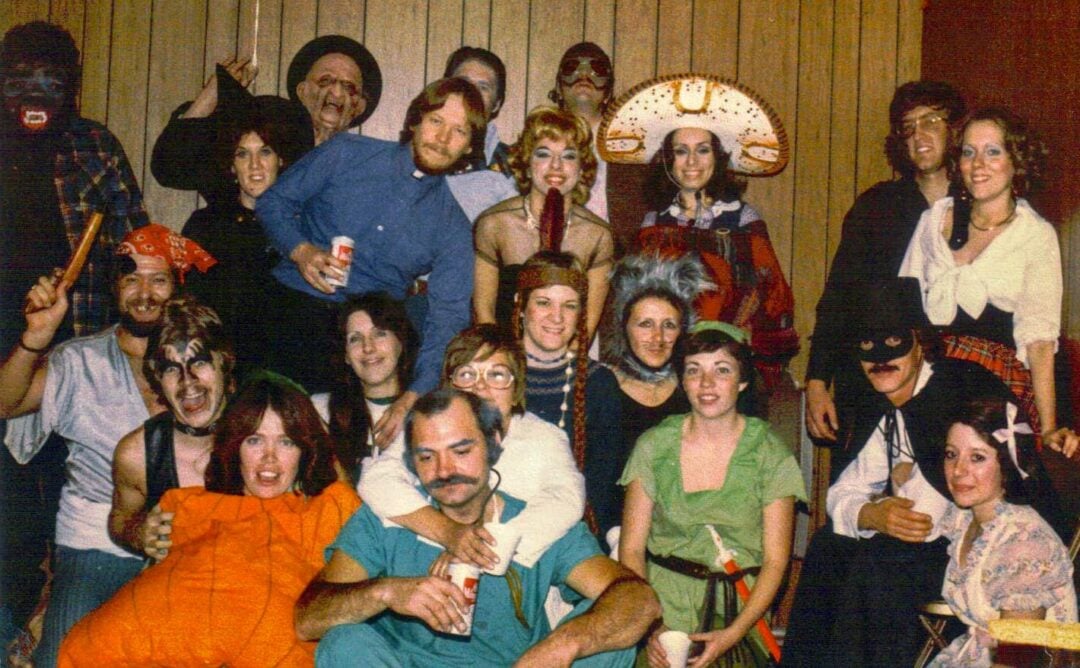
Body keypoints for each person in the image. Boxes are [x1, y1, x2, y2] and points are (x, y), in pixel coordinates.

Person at [296, 388, 660, 666]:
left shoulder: (537, 521)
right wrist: (387, 593)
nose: (444, 470)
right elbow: (308, 618)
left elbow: (639, 599)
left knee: (611, 638)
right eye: (427, 456)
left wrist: (563, 645)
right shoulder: (386, 519)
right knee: (344, 642)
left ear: (492, 444)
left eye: (461, 450)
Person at [780, 279, 1033, 668]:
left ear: (919, 343)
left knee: (878, 562)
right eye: (867, 345)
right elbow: (845, 490)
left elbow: (992, 493)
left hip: (979, 548)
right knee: (828, 548)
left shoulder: (963, 388)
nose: (880, 359)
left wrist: (900, 508)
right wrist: (869, 513)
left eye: (894, 342)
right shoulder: (877, 400)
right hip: (911, 548)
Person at [0, 225, 213, 667]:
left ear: (177, 288)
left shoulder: (206, 364)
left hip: (190, 548)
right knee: (63, 659)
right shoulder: (79, 360)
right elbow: (6, 404)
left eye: (158, 280)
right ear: (114, 289)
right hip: (96, 547)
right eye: (132, 279)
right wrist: (34, 339)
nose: (144, 294)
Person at [0, 20, 150, 645]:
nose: (35, 93)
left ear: (73, 88)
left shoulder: (95, 147)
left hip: (68, 350)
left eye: (51, 80)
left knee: (42, 508)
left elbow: (136, 247)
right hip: (7, 350)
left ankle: (33, 620)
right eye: (19, 79)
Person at [58, 375, 358, 667]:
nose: (269, 458)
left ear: (305, 449)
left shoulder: (328, 506)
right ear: (235, 446)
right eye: (254, 440)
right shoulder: (188, 506)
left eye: (287, 442)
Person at [257, 77, 482, 427]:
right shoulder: (346, 152)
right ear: (415, 121)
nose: (442, 138)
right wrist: (301, 251)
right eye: (436, 121)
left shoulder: (454, 228)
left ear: (468, 147)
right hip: (290, 308)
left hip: (368, 345)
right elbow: (273, 202)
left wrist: (414, 395)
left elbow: (448, 319)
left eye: (459, 131)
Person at [804, 81, 967, 477]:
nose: (919, 135)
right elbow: (838, 298)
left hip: (956, 381)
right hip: (876, 376)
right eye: (908, 127)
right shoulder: (877, 206)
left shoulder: (979, 206)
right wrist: (817, 381)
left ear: (955, 129)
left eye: (931, 121)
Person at [619, 322, 806, 667]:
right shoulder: (654, 446)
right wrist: (651, 626)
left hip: (738, 611)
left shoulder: (770, 454)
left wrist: (732, 634)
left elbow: (776, 562)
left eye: (722, 370)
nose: (706, 383)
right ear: (683, 381)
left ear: (742, 381)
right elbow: (630, 549)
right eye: (694, 370)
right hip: (661, 604)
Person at [597, 74, 796, 395]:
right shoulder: (653, 221)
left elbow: (772, 300)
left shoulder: (743, 219)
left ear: (718, 157)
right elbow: (633, 302)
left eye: (702, 150)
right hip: (662, 368)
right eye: (681, 151)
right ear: (668, 159)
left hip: (724, 367)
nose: (691, 162)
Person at [900, 107, 1077, 454]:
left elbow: (1039, 342)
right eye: (969, 152)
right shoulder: (933, 220)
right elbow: (902, 308)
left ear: (1016, 161)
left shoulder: (1035, 235)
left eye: (993, 151)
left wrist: (1048, 428)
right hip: (926, 383)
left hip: (993, 393)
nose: (978, 164)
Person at [358, 324, 584, 571]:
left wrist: (480, 549)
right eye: (467, 374)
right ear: (450, 388)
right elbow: (377, 480)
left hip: (521, 570)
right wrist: (450, 533)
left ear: (516, 389)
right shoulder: (430, 428)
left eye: (497, 375)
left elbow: (565, 500)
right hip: (430, 563)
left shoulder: (544, 437)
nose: (480, 387)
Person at [926, 396, 1077, 667]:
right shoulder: (964, 519)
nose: (958, 470)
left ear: (1006, 463)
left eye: (977, 457)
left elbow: (1018, 658)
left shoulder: (1023, 543)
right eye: (951, 454)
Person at [151, 35, 382, 203]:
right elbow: (170, 167)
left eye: (349, 87)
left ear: (359, 106)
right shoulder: (256, 143)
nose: (337, 92)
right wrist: (212, 95)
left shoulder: (364, 170)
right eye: (326, 81)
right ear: (302, 91)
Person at [181, 92, 312, 373]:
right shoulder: (206, 226)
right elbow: (189, 310)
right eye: (243, 154)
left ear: (281, 160)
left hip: (294, 376)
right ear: (231, 165)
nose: (255, 165)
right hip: (224, 373)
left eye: (265, 152)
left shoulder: (307, 226)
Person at [592, 254, 714, 539]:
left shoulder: (694, 390)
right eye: (645, 324)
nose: (657, 338)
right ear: (624, 328)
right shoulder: (600, 385)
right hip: (610, 532)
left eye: (669, 325)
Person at [107, 296, 234, 560]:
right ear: (157, 377)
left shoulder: (269, 429)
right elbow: (120, 519)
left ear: (223, 361)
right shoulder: (137, 454)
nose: (188, 382)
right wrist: (139, 533)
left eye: (199, 362)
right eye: (171, 369)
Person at [473, 106, 614, 338]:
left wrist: (562, 361)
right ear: (527, 165)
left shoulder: (597, 236)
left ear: (581, 169)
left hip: (567, 355)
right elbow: (484, 313)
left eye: (569, 156)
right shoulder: (494, 224)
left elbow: (585, 330)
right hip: (502, 350)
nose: (556, 165)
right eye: (543, 154)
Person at [511, 252, 622, 535]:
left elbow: (602, 489)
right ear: (521, 305)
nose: (557, 317)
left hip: (571, 532)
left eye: (569, 306)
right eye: (543, 302)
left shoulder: (599, 384)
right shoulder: (489, 374)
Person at [311, 293, 418, 484]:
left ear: (400, 343)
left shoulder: (428, 410)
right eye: (355, 339)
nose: (368, 347)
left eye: (379, 334)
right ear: (345, 355)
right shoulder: (319, 410)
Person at [444, 46, 511, 173]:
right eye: (463, 82)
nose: (472, 92)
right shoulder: (419, 152)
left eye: (483, 87)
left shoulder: (516, 166)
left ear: (496, 104)